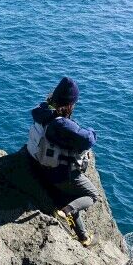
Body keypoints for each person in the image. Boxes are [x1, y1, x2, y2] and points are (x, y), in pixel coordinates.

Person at [28, 76, 99, 247]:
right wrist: (91, 130)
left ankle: (83, 238)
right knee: (91, 195)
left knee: (68, 198)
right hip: (60, 175)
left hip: (41, 167)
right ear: (69, 104)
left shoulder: (42, 111)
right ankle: (67, 211)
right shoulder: (61, 125)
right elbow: (88, 139)